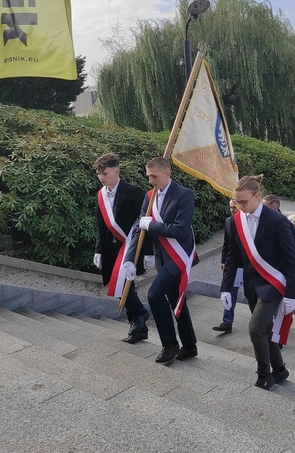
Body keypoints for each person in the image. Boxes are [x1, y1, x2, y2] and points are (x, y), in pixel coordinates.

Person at [221, 175, 295, 390]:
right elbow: (232, 257)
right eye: (237, 202)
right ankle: (280, 370)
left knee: (255, 329)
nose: (240, 206)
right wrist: (226, 288)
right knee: (265, 330)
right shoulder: (235, 222)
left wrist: (292, 294)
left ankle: (265, 375)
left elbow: (291, 260)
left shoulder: (277, 221)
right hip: (252, 285)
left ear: (257, 196)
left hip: (273, 285)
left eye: (244, 202)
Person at [123, 157, 199, 364]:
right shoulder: (150, 196)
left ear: (167, 173)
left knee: (154, 295)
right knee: (176, 300)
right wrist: (130, 259)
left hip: (179, 256)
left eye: (154, 176)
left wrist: (152, 225)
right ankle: (190, 346)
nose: (150, 181)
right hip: (161, 256)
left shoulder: (184, 195)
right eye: (148, 176)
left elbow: (180, 229)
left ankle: (170, 345)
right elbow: (140, 228)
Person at [93, 153, 151, 344]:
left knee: (123, 284)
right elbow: (101, 225)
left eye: (105, 173)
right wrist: (98, 250)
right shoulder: (100, 195)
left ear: (116, 171)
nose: (101, 177)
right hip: (111, 248)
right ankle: (139, 321)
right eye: (98, 173)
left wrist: (148, 251)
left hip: (131, 246)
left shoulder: (133, 192)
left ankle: (138, 320)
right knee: (118, 283)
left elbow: (145, 221)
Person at [213, 199, 240, 333]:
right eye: (230, 207)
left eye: (234, 207)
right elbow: (226, 243)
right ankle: (227, 322)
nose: (232, 209)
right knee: (231, 292)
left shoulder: (248, 221)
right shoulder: (229, 221)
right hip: (235, 266)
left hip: (250, 265)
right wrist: (223, 260)